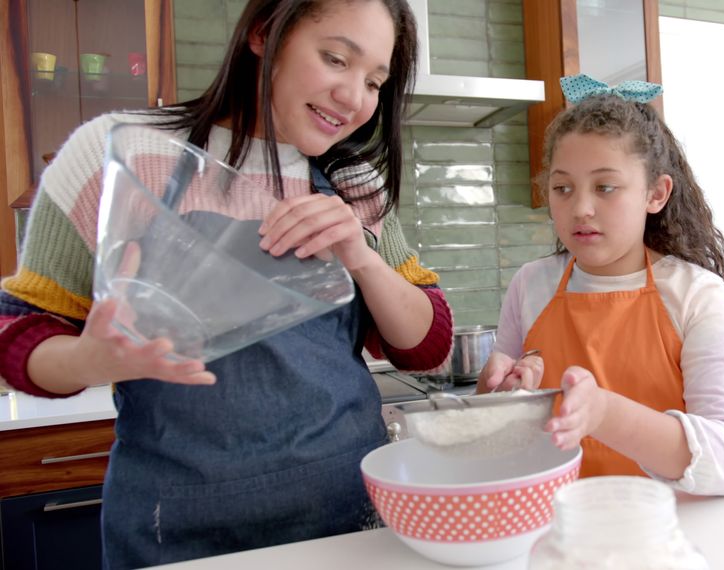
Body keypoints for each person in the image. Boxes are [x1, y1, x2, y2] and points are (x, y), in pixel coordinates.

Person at [0, 0, 453, 567]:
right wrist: (92, 360)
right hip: (179, 529)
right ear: (264, 33)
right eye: (336, 59)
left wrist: (361, 256)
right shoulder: (120, 153)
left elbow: (426, 346)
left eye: (375, 82)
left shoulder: (352, 182)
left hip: (347, 519)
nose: (355, 97)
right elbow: (17, 332)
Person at [478, 74, 724, 495]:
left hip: (665, 533)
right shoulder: (530, 284)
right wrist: (494, 396)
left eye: (605, 187)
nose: (581, 208)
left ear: (656, 194)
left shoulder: (696, 296)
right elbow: (499, 441)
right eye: (562, 188)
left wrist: (604, 413)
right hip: (555, 529)